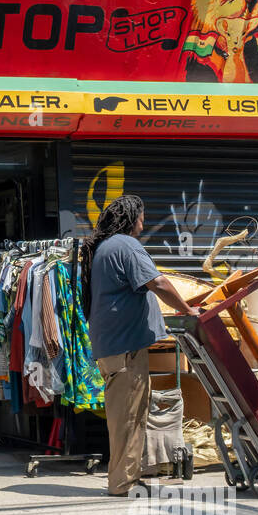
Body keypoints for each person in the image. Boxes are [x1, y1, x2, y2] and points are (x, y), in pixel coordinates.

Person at [81, 194, 197, 497]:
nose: (144, 224)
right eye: (142, 217)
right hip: (124, 350)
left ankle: (129, 476)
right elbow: (158, 283)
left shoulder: (107, 247)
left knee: (130, 415)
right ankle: (122, 484)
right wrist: (187, 309)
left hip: (117, 348)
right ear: (131, 219)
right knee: (128, 417)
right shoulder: (125, 245)